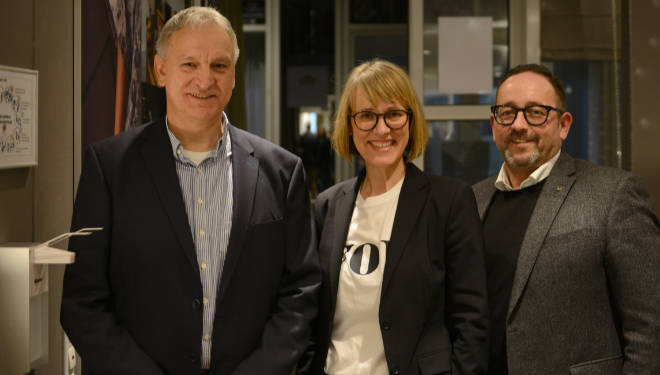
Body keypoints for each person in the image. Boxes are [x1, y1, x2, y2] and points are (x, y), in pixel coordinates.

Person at [61, 7, 320, 375]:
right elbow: (82, 303)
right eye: (189, 65)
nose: (205, 79)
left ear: (233, 76)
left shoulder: (282, 171)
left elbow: (300, 293)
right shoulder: (109, 168)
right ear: (161, 70)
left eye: (219, 66)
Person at [473, 63, 660, 374]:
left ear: (563, 124)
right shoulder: (473, 200)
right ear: (494, 123)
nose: (519, 125)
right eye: (508, 112)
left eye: (535, 112)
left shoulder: (613, 194)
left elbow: (650, 326)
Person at [304, 59, 489, 374]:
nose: (381, 128)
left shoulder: (448, 202)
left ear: (411, 120)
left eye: (393, 114)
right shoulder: (327, 206)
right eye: (366, 116)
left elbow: (472, 321)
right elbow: (309, 312)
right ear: (349, 125)